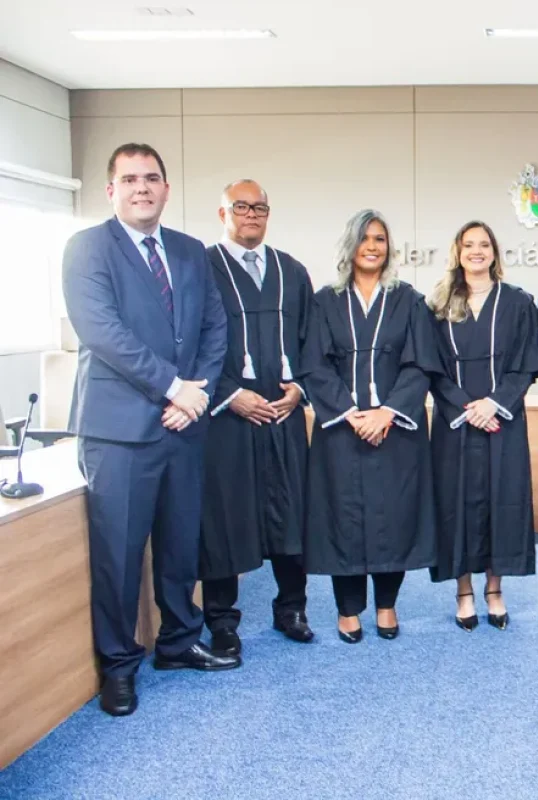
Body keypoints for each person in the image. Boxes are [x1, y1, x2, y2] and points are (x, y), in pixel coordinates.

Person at [62, 142, 238, 717]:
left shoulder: (189, 251)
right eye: (130, 179)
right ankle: (118, 665)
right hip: (119, 434)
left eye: (153, 178)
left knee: (181, 544)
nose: (143, 187)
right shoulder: (87, 249)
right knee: (118, 554)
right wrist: (173, 388)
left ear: (166, 188)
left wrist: (198, 395)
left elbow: (215, 328)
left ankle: (179, 642)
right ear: (110, 190)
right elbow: (103, 333)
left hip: (184, 426)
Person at [300, 209, 441, 643]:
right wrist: (352, 413)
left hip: (395, 430)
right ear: (351, 246)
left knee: (392, 518)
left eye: (380, 238)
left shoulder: (409, 300)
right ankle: (347, 610)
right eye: (365, 239)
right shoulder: (324, 301)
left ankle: (386, 605)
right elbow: (314, 366)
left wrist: (386, 413)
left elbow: (420, 365)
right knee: (342, 518)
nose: (373, 246)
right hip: (341, 430)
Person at [200, 179, 315, 656]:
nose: (251, 214)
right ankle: (223, 621)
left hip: (284, 415)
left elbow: (313, 341)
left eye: (260, 207)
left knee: (291, 511)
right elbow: (191, 344)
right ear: (222, 212)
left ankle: (291, 607)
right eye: (241, 206)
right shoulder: (202, 268)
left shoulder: (291, 271)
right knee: (227, 516)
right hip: (230, 418)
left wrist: (299, 390)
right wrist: (229, 396)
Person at [426, 220, 538, 631]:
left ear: (495, 253)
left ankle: (494, 589)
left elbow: (527, 364)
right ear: (457, 252)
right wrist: (465, 406)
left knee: (501, 501)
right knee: (455, 503)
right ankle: (463, 591)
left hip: (502, 420)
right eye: (468, 244)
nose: (477, 251)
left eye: (484, 244)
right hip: (454, 423)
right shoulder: (437, 305)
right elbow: (431, 368)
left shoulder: (518, 302)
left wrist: (493, 404)